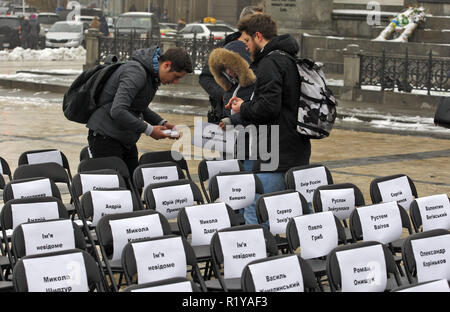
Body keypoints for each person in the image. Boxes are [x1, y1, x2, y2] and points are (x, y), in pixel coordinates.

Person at [226, 14, 311, 222]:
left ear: (258, 36)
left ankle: (257, 254)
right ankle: (324, 246)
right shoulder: (288, 57)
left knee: (255, 208)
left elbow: (268, 108)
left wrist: (242, 107)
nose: (245, 47)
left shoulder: (270, 62)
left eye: (246, 41)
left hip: (275, 150)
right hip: (294, 146)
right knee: (300, 207)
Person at [86, 47, 193, 176]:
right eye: (176, 76)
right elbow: (118, 110)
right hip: (106, 137)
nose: (175, 82)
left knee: (134, 186)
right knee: (115, 190)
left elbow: (137, 106)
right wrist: (150, 130)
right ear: (166, 65)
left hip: (125, 138)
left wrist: (162, 122)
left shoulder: (150, 75)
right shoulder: (136, 72)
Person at [199, 5, 263, 124]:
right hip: (226, 114)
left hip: (252, 116)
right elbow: (205, 77)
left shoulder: (264, 48)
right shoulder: (227, 46)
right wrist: (224, 95)